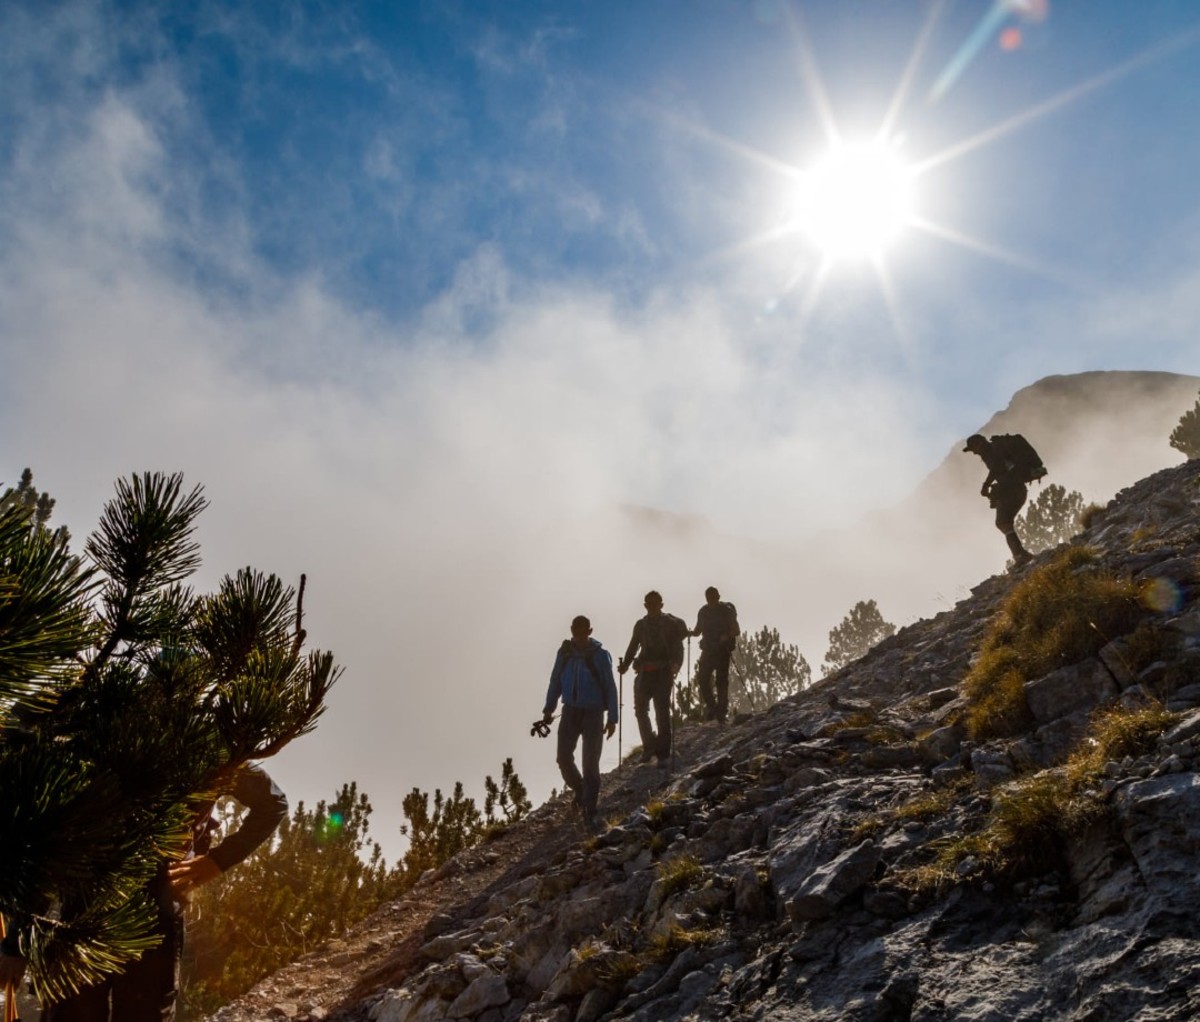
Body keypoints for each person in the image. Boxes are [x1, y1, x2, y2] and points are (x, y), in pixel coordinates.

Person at [4, 763, 288, 1022]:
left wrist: (217, 860)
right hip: (82, 909)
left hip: (156, 911)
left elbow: (272, 803)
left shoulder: (211, 738)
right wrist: (16, 941)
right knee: (71, 1015)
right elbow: (48, 840)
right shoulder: (91, 721)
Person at [541, 615, 618, 829]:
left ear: (589, 631)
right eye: (576, 629)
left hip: (593, 713)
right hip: (570, 711)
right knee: (563, 758)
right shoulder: (564, 653)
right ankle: (581, 791)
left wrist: (612, 718)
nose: (580, 633)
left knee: (590, 763)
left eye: (583, 630)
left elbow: (610, 687)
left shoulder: (601, 656)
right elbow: (555, 680)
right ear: (572, 629)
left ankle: (589, 808)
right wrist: (549, 708)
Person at [619, 591, 689, 767]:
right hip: (645, 673)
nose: (652, 607)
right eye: (649, 604)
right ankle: (651, 748)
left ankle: (662, 751)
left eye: (654, 604)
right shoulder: (641, 625)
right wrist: (626, 665)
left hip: (662, 673)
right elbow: (633, 646)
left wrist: (676, 664)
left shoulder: (669, 625)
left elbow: (677, 648)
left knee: (661, 712)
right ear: (646, 606)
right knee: (641, 711)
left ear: (661, 605)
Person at [963, 433, 1032, 566]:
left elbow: (996, 468)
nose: (973, 453)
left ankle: (1021, 555)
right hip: (1015, 489)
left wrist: (986, 485)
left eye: (973, 448)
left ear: (979, 443)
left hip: (1012, 490)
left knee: (1003, 522)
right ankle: (1020, 554)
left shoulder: (990, 452)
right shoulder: (993, 451)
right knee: (1004, 523)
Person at [691, 586, 741, 724]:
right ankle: (713, 708)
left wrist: (726, 635)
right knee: (702, 679)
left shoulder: (727, 611)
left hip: (722, 651)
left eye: (713, 597)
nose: (711, 600)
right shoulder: (703, 612)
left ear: (718, 597)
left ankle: (721, 713)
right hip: (708, 651)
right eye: (709, 598)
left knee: (721, 682)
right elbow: (697, 630)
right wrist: (688, 633)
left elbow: (736, 630)